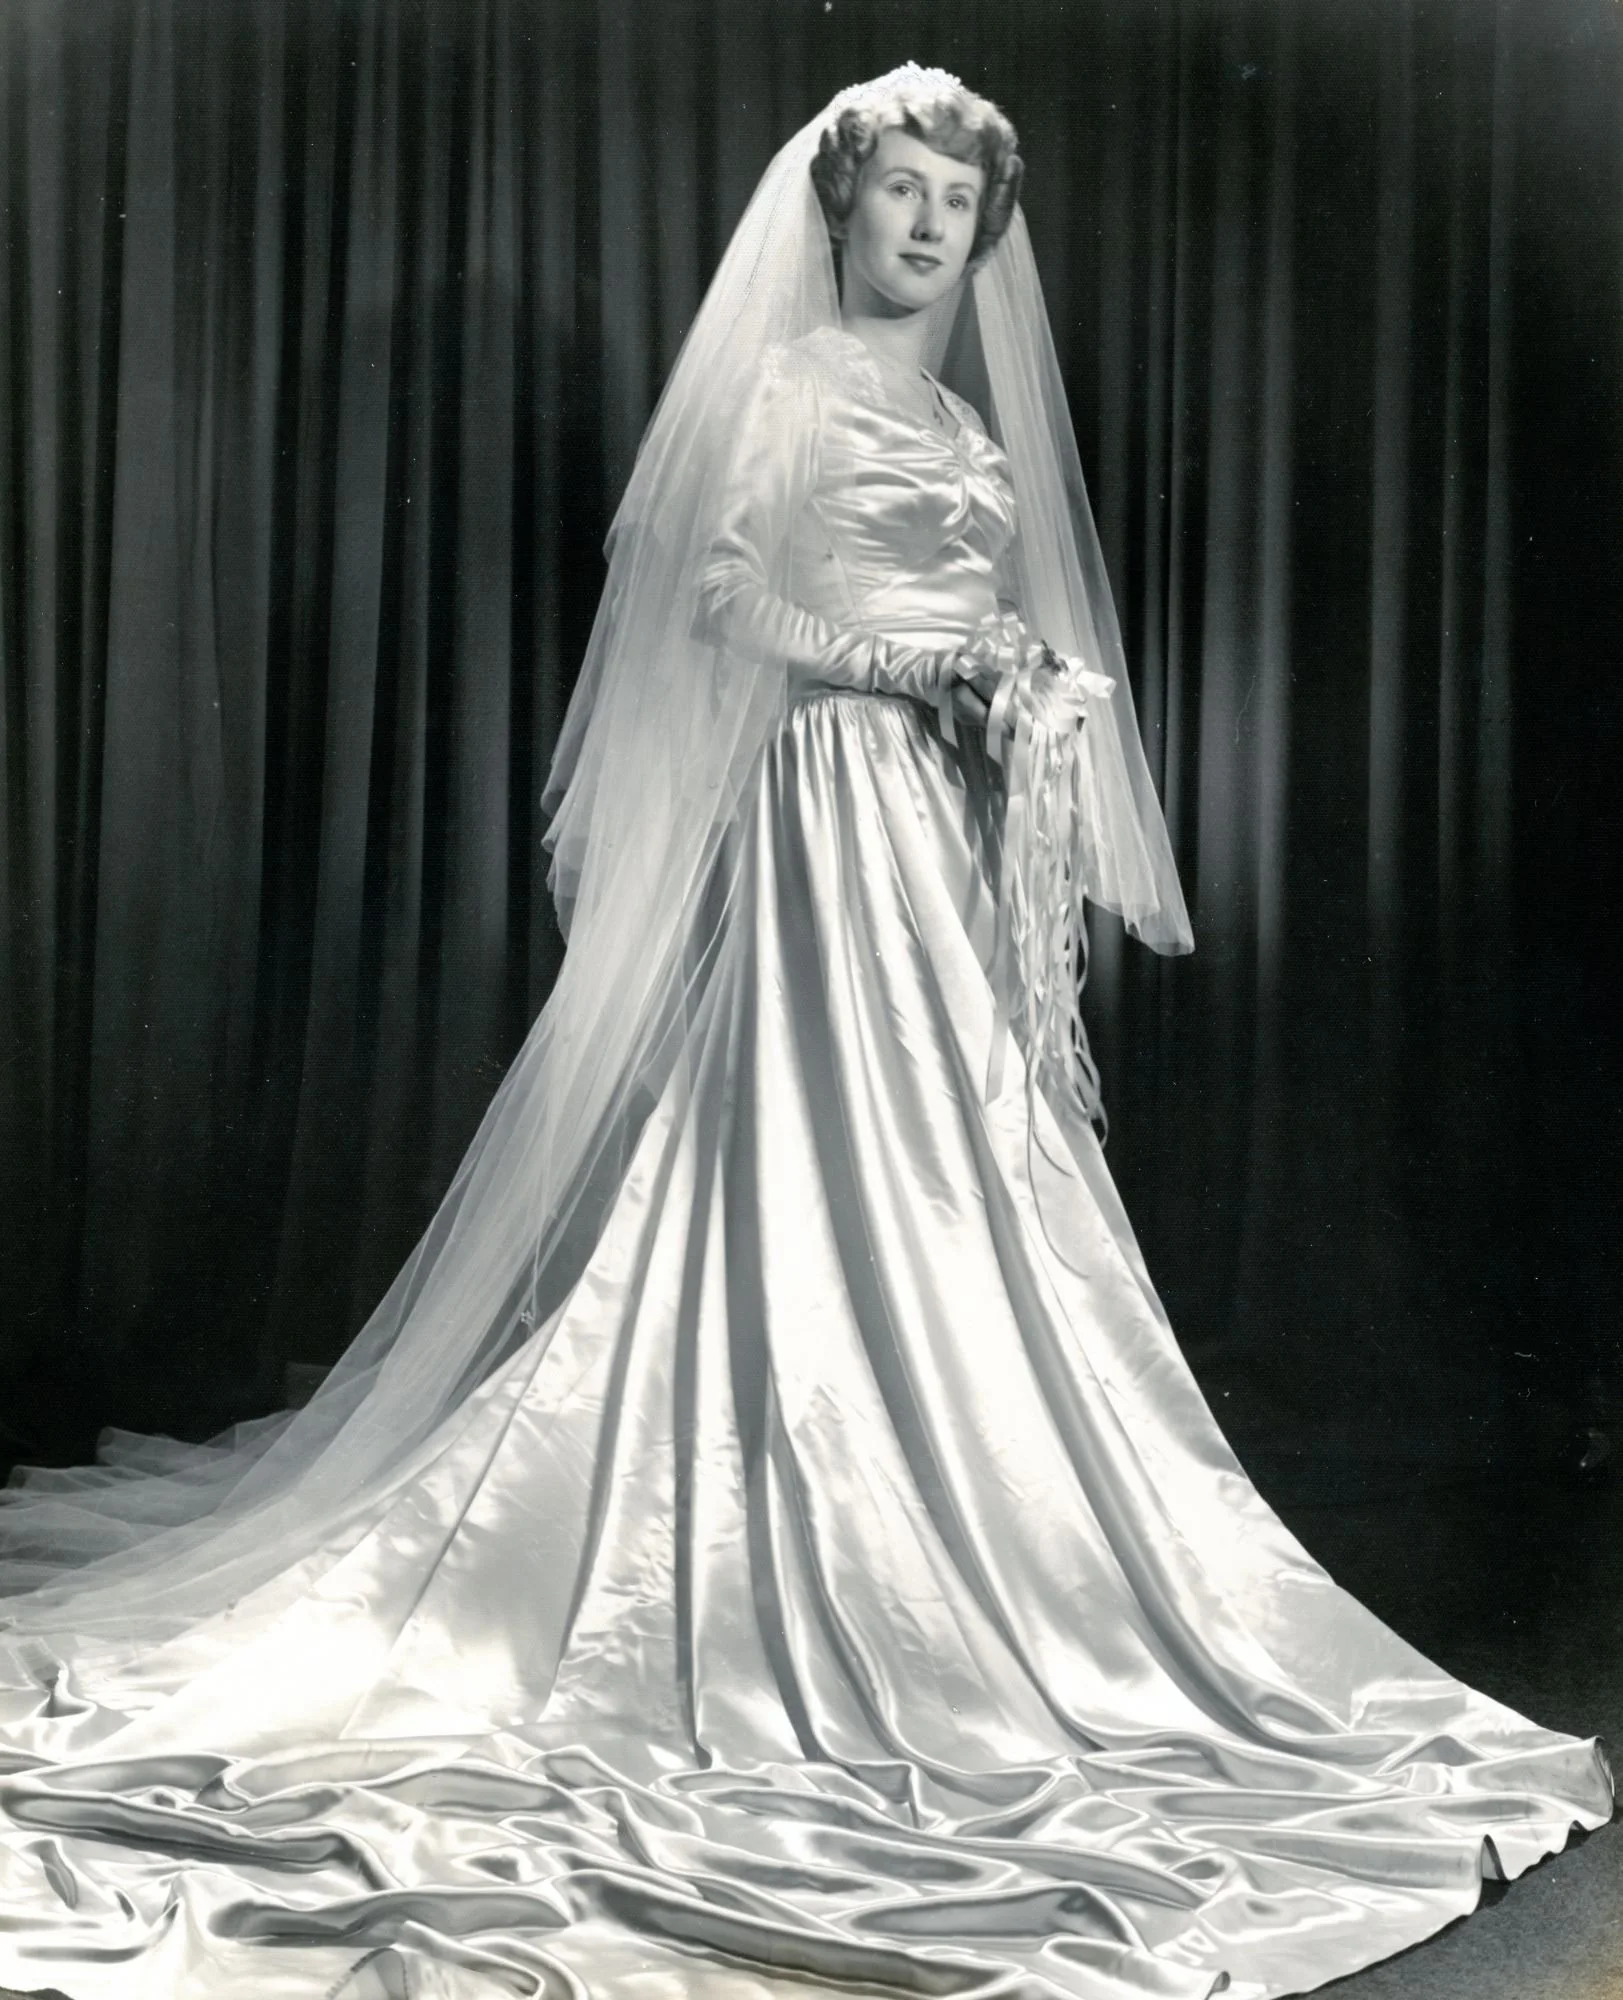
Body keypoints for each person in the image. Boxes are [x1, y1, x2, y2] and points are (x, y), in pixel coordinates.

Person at [0, 64, 1610, 2000]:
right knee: (811, 1141)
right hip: (825, 802)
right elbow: (717, 589)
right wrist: (912, 661)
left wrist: (1006, 678)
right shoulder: (793, 387)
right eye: (900, 191)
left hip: (934, 819)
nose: (927, 226)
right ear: (840, 207)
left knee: (965, 1160)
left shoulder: (953, 414)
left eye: (955, 203)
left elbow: (969, 597)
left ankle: (975, 1522)